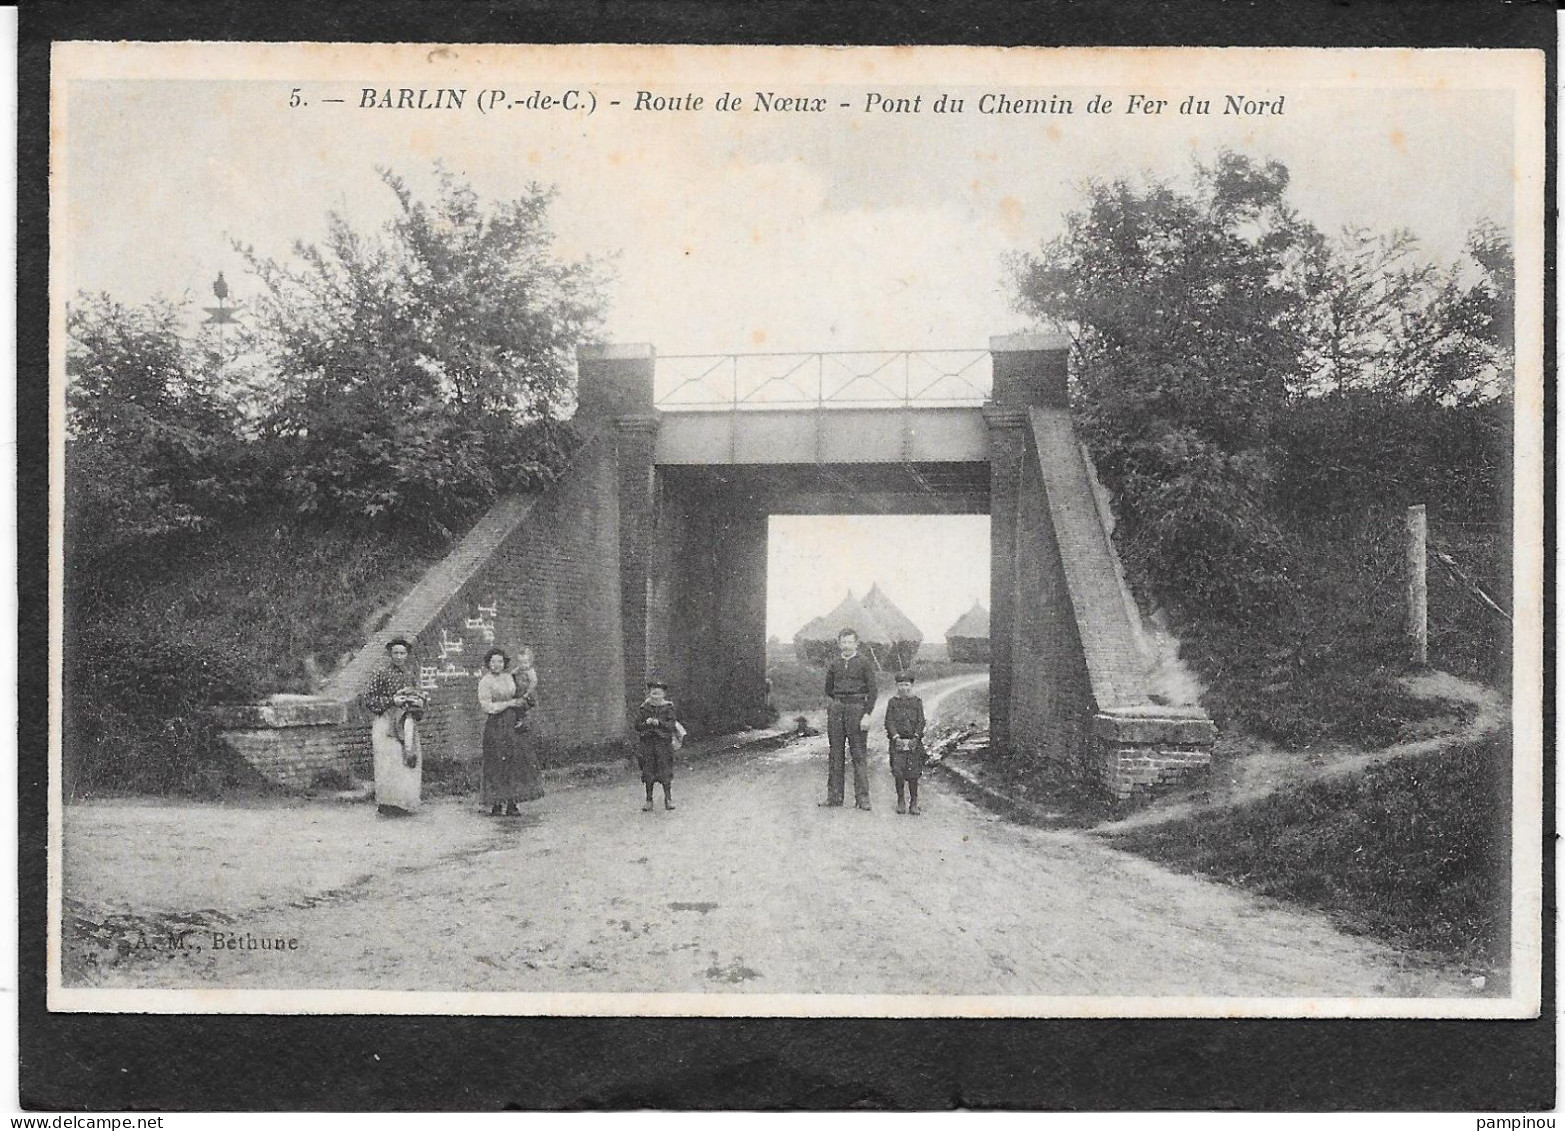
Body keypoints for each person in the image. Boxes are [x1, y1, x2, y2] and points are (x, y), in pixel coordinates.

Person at [360, 636, 428, 817]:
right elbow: (368, 698)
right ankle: (388, 803)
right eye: (395, 653)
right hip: (387, 722)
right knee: (389, 762)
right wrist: (392, 701)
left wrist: (416, 701)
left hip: (406, 721)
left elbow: (419, 696)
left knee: (407, 759)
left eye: (402, 653)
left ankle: (404, 802)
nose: (399, 656)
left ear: (407, 655)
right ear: (390, 654)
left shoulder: (410, 674)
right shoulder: (381, 673)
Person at [476, 646, 545, 816]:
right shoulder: (485, 681)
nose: (497, 665)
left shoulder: (510, 678)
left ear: (504, 663)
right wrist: (508, 704)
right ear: (488, 664)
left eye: (500, 661)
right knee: (497, 762)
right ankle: (496, 803)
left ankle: (512, 803)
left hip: (513, 722)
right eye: (493, 662)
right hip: (496, 725)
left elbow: (522, 691)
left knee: (515, 761)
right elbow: (486, 706)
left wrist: (524, 701)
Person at [821, 627, 877, 810]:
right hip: (837, 709)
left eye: (849, 642)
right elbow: (828, 688)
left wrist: (866, 714)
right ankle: (834, 797)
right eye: (843, 642)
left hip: (857, 709)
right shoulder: (835, 664)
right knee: (835, 753)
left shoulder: (864, 663)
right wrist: (838, 704)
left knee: (859, 754)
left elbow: (873, 691)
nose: (846, 645)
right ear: (839, 644)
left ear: (856, 643)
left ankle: (862, 799)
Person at [634, 680, 684, 812]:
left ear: (663, 694)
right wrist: (647, 722)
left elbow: (671, 725)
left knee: (665, 771)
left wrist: (659, 722)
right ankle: (648, 800)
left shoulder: (668, 708)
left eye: (659, 691)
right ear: (649, 693)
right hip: (648, 744)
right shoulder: (644, 708)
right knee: (648, 772)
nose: (655, 693)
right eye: (653, 691)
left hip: (663, 745)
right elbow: (637, 725)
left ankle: (668, 799)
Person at [884, 671, 927, 815]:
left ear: (912, 685)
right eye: (901, 685)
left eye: (907, 685)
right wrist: (896, 738)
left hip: (914, 742)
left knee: (913, 773)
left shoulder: (917, 702)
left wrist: (916, 737)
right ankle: (901, 801)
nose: (904, 688)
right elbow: (888, 721)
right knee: (899, 772)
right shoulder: (893, 702)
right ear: (896, 686)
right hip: (897, 742)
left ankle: (914, 802)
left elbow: (921, 721)